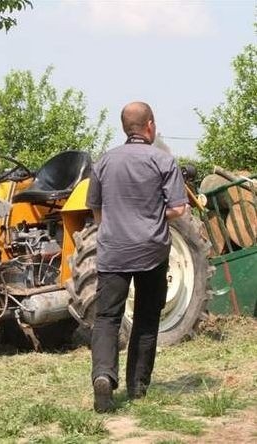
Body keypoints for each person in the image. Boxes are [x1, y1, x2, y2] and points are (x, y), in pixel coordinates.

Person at [86, 102, 188, 413]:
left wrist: (117, 226)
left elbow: (96, 209)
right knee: (145, 317)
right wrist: (151, 217)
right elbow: (178, 209)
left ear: (124, 128)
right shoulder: (163, 160)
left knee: (106, 318)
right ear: (150, 125)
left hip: (113, 251)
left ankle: (103, 376)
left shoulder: (104, 162)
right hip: (151, 251)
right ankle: (138, 387)